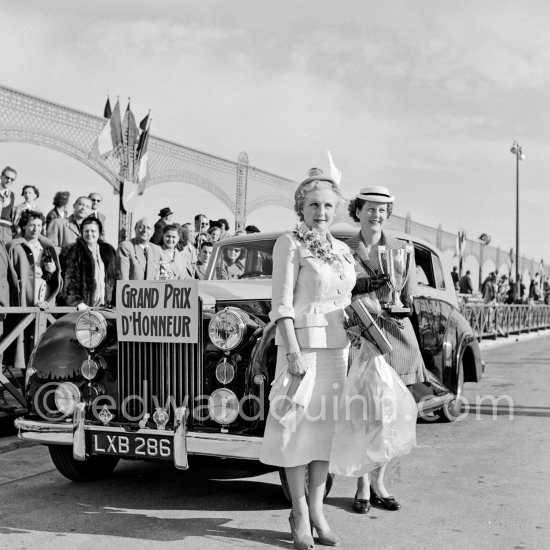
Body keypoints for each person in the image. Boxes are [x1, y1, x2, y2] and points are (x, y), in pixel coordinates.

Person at [259, 167, 356, 549]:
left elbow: (347, 301)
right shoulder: (290, 243)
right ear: (301, 207)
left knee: (324, 434)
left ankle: (318, 509)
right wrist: (293, 353)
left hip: (338, 351)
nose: (321, 211)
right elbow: (281, 305)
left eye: (328, 205)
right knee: (294, 430)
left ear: (337, 209)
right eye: (314, 204)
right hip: (300, 351)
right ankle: (298, 513)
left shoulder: (343, 250)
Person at [344, 185, 427, 513]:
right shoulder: (344, 249)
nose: (376, 214)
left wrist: (398, 305)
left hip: (395, 336)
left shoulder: (402, 248)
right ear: (358, 211)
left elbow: (408, 297)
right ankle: (362, 485)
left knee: (390, 416)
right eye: (370, 208)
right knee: (363, 415)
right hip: (360, 335)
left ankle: (380, 482)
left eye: (382, 209)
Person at [6, 210, 61, 368]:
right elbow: (11, 277)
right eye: (31, 225)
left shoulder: (48, 246)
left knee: (43, 343)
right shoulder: (14, 247)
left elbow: (57, 277)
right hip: (25, 299)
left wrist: (52, 270)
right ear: (24, 226)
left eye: (39, 225)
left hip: (45, 297)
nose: (36, 229)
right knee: (24, 343)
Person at [60, 217, 118, 309]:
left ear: (99, 233)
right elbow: (70, 280)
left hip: (106, 307)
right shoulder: (72, 251)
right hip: (83, 308)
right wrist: (76, 302)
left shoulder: (109, 251)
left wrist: (115, 302)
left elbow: (115, 278)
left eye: (93, 231)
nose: (89, 234)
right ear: (81, 232)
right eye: (86, 231)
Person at [0, 166, 17, 244]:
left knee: (5, 254)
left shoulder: (11, 195)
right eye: (7, 177)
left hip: (7, 229)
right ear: (1, 176)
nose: (9, 180)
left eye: (12, 179)